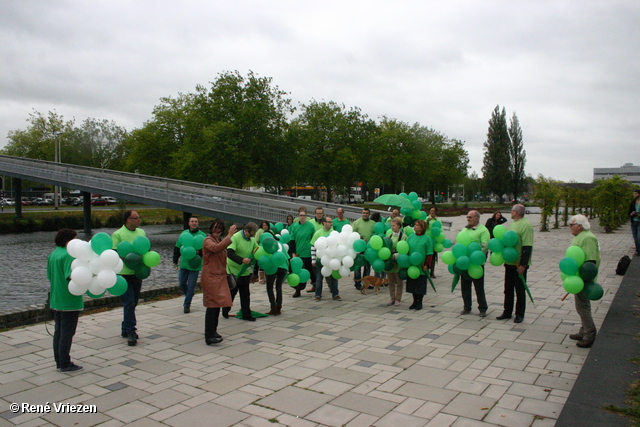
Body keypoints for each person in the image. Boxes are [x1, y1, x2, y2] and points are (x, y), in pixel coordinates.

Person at [48, 228, 83, 372]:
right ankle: (65, 363)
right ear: (69, 241)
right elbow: (72, 276)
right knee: (67, 333)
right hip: (69, 299)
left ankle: (59, 360)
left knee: (59, 332)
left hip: (56, 299)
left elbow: (49, 276)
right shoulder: (69, 255)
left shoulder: (54, 254)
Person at [112, 210, 146, 346]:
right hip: (123, 273)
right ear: (128, 220)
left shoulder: (141, 233)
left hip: (137, 273)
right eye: (136, 218)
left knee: (134, 302)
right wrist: (129, 258)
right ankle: (131, 332)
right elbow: (114, 253)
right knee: (129, 302)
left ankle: (125, 327)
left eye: (138, 218)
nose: (139, 220)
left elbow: (145, 249)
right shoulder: (118, 234)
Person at [201, 220, 237, 345]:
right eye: (215, 228)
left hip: (218, 277)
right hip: (211, 278)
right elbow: (216, 249)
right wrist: (229, 236)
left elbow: (221, 248)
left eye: (220, 229)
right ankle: (209, 336)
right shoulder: (208, 241)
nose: (217, 231)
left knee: (217, 306)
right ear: (211, 229)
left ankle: (213, 331)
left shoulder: (218, 241)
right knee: (212, 306)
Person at [568, 214, 601, 348]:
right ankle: (584, 330)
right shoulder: (580, 236)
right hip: (577, 277)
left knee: (583, 307)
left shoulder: (588, 238)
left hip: (584, 277)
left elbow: (590, 261)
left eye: (571, 225)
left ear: (579, 226)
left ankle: (589, 333)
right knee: (580, 305)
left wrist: (584, 277)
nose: (570, 228)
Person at [497, 204, 534, 323]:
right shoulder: (513, 223)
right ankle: (507, 311)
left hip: (519, 263)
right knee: (508, 288)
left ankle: (519, 314)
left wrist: (523, 264)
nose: (511, 212)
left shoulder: (526, 225)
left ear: (516, 212)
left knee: (519, 289)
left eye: (512, 210)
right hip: (509, 262)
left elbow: (527, 246)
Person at [224, 222, 258, 321]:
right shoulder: (235, 237)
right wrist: (242, 260)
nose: (254, 235)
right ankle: (225, 310)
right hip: (233, 269)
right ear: (246, 231)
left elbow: (256, 248)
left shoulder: (251, 239)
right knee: (232, 292)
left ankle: (246, 314)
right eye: (253, 232)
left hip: (245, 270)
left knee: (245, 293)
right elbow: (229, 253)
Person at [173, 216, 207, 313]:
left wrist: (198, 253)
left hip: (195, 264)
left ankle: (186, 305)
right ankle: (189, 294)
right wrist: (175, 260)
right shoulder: (184, 234)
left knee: (191, 285)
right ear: (189, 223)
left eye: (196, 221)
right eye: (192, 221)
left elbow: (206, 250)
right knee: (182, 283)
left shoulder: (202, 235)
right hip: (184, 263)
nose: (194, 223)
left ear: (198, 223)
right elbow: (177, 248)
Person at [459, 211, 490, 317]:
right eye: (467, 217)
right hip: (465, 262)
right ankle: (466, 307)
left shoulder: (483, 230)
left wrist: (476, 257)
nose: (468, 218)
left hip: (476, 263)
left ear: (477, 218)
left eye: (470, 217)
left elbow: (485, 246)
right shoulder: (465, 229)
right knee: (465, 286)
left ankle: (482, 308)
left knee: (479, 287)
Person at [406, 219, 433, 310]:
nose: (415, 226)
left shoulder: (427, 238)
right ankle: (414, 301)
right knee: (413, 284)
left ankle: (420, 301)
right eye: (415, 225)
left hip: (422, 266)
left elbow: (429, 253)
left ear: (422, 228)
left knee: (420, 284)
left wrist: (427, 265)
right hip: (412, 264)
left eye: (417, 225)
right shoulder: (410, 236)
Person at [311, 215, 340, 301]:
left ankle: (335, 294)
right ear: (324, 223)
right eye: (329, 222)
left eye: (331, 222)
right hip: (321, 259)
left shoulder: (334, 233)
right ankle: (318, 295)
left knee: (334, 278)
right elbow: (313, 246)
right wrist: (313, 259)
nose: (331, 223)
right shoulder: (318, 233)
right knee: (319, 278)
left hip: (332, 259)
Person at [290, 207, 315, 297]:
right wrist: (293, 253)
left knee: (310, 271)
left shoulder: (310, 226)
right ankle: (298, 290)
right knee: (297, 272)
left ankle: (315, 286)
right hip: (298, 253)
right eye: (301, 215)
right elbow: (292, 241)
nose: (302, 217)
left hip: (308, 253)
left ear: (306, 216)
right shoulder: (295, 226)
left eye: (304, 215)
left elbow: (314, 239)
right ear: (298, 216)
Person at [353, 208, 375, 289]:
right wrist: (360, 237)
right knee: (358, 267)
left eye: (366, 213)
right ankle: (358, 284)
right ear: (361, 213)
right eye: (363, 213)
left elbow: (375, 235)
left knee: (367, 267)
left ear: (369, 214)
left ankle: (366, 283)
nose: (365, 214)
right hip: (359, 248)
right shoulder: (356, 222)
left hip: (369, 249)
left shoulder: (373, 223)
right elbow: (353, 233)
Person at [386, 218, 406, 306]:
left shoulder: (404, 236)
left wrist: (397, 255)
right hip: (390, 262)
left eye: (394, 225)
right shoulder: (389, 235)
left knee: (399, 282)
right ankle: (392, 298)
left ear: (399, 226)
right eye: (391, 226)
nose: (392, 227)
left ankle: (398, 298)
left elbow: (404, 248)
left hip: (399, 262)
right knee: (390, 281)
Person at [629, 189, 640, 255]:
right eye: (634, 193)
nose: (634, 195)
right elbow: (629, 212)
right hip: (634, 221)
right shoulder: (633, 202)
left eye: (636, 193)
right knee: (635, 236)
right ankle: (637, 250)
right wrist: (632, 213)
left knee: (639, 237)